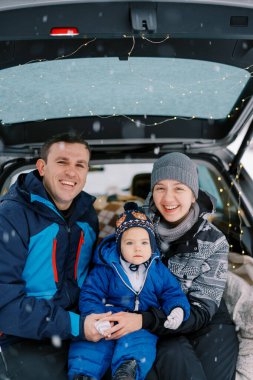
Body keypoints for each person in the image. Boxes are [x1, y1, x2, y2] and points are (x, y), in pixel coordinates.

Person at [103, 152, 239, 380]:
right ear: (152, 192)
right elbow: (108, 268)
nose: (168, 198)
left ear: (193, 194)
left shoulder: (213, 240)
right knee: (170, 352)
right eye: (160, 188)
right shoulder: (134, 225)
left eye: (179, 188)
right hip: (152, 320)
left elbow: (203, 309)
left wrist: (145, 320)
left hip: (202, 318)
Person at [0, 133, 110, 380]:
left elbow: (95, 277)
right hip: (25, 335)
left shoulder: (86, 215)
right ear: (42, 167)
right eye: (62, 162)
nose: (71, 172)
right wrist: (76, 325)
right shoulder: (11, 216)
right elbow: (4, 305)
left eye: (79, 164)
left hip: (82, 326)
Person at [68, 202, 190, 380]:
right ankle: (83, 374)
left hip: (139, 321)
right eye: (130, 243)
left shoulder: (158, 270)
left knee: (140, 346)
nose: (138, 248)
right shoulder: (107, 268)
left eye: (144, 242)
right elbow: (91, 294)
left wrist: (177, 309)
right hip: (107, 318)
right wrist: (97, 317)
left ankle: (127, 372)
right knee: (91, 345)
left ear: (152, 245)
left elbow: (172, 293)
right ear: (119, 246)